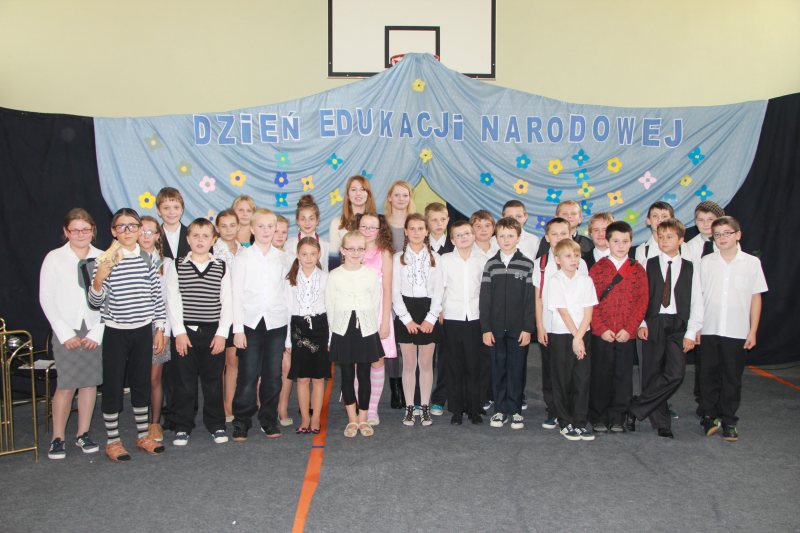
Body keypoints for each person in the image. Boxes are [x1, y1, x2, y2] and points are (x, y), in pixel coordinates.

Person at [89, 208, 166, 461]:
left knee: (141, 383)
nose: (127, 231)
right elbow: (95, 302)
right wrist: (99, 279)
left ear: (140, 229)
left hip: (143, 331)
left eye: (132, 226)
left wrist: (159, 328)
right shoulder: (105, 260)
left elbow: (156, 296)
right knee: (112, 385)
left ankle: (143, 435)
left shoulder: (148, 258)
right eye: (121, 226)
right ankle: (113, 441)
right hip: (115, 331)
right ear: (113, 231)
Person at [39, 208, 105, 459]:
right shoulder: (54, 258)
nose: (80, 234)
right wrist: (65, 332)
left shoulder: (103, 257)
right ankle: (58, 437)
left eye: (85, 229)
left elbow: (110, 298)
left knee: (89, 383)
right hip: (66, 329)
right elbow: (46, 298)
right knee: (66, 384)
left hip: (93, 328)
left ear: (93, 231)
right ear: (66, 232)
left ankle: (83, 433)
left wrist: (97, 332)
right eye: (75, 230)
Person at [629, 219, 703, 438]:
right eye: (660, 237)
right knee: (651, 373)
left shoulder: (691, 267)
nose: (664, 241)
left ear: (681, 240)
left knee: (675, 374)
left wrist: (691, 332)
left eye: (669, 237)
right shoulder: (648, 264)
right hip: (653, 323)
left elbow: (697, 301)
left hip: (678, 325)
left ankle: (635, 407)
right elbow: (639, 297)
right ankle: (662, 423)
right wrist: (641, 323)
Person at [698, 217, 767, 442]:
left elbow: (756, 298)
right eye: (717, 235)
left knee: (732, 377)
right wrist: (696, 327)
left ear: (738, 235)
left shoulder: (751, 263)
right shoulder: (706, 262)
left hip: (737, 330)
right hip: (709, 327)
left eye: (727, 233)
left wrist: (753, 330)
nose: (722, 238)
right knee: (707, 375)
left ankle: (729, 420)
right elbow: (698, 297)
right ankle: (710, 415)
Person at [164, 218, 232, 446]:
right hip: (186, 333)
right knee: (184, 382)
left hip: (213, 333)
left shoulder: (221, 266)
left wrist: (222, 333)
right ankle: (183, 426)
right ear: (188, 239)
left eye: (205, 236)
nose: (200, 240)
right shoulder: (177, 265)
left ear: (213, 240)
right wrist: (179, 332)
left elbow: (227, 302)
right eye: (195, 236)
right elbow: (172, 300)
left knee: (213, 381)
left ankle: (216, 424)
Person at [231, 208, 289, 441]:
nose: (266, 231)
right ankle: (241, 420)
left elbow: (287, 294)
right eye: (261, 226)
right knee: (248, 375)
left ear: (276, 229)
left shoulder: (283, 258)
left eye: (270, 226)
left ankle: (268, 419)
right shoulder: (242, 258)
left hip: (276, 324)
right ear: (252, 229)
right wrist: (237, 329)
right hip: (250, 324)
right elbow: (236, 294)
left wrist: (287, 334)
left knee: (273, 375)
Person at [588, 221, 648, 433]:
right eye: (616, 241)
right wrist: (601, 328)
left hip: (625, 334)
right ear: (608, 242)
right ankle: (599, 416)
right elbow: (590, 301)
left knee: (623, 377)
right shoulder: (598, 268)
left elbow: (642, 302)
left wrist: (630, 329)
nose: (620, 246)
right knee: (600, 375)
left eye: (625, 241)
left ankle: (618, 417)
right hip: (602, 333)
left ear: (631, 242)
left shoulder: (637, 270)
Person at [326, 231, 383, 437]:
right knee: (348, 375)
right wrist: (331, 337)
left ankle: (363, 418)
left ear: (365, 251)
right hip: (342, 329)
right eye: (351, 248)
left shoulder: (370, 275)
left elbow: (375, 303)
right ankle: (352, 420)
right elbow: (330, 306)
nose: (355, 252)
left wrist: (372, 329)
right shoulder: (334, 275)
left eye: (360, 249)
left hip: (366, 328)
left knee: (365, 375)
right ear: (343, 250)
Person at [480, 217, 535, 430]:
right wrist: (486, 328)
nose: (506, 239)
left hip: (518, 330)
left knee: (516, 369)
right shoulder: (491, 265)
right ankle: (500, 410)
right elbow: (485, 300)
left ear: (518, 237)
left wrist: (527, 328)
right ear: (496, 238)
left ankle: (515, 410)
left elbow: (530, 301)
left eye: (510, 235)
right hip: (495, 330)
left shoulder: (527, 264)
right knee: (498, 369)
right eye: (502, 236)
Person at [535, 217, 589, 430]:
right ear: (547, 238)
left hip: (576, 328)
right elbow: (538, 298)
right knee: (552, 371)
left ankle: (573, 412)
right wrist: (540, 326)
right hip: (551, 325)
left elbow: (584, 298)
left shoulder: (580, 263)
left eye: (563, 234)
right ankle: (554, 411)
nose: (559, 238)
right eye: (554, 234)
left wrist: (579, 334)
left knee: (575, 373)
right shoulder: (541, 263)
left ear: (571, 235)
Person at [393, 214, 444, 426]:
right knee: (408, 364)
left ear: (426, 231)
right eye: (412, 228)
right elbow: (394, 291)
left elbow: (439, 291)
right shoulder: (398, 258)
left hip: (428, 312)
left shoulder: (436, 258)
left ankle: (424, 407)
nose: (416, 232)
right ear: (405, 231)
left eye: (420, 228)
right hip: (406, 312)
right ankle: (409, 407)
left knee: (425, 363)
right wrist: (406, 319)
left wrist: (431, 318)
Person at [544, 239, 598, 441]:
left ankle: (580, 421)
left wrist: (579, 337)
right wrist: (576, 338)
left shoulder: (586, 280)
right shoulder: (555, 281)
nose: (573, 259)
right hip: (561, 334)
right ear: (558, 260)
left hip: (582, 334)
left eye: (576, 255)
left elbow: (588, 313)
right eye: (568, 256)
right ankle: (565, 421)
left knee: (582, 379)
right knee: (562, 379)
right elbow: (563, 312)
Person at [439, 221, 485, 425]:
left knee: (474, 365)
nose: (463, 237)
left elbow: (485, 290)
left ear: (474, 236)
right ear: (452, 240)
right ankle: (456, 409)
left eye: (467, 233)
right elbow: (439, 288)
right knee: (454, 365)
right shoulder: (445, 260)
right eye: (458, 235)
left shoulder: (482, 260)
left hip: (475, 317)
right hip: (452, 317)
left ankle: (474, 408)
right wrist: (439, 309)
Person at [285, 238, 330, 434]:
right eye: (304, 254)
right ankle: (305, 418)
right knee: (302, 378)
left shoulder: (326, 277)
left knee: (318, 378)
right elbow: (288, 310)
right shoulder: (290, 279)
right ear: (297, 255)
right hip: (298, 328)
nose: (309, 258)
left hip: (320, 327)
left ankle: (316, 418)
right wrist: (288, 340)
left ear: (319, 255)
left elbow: (330, 308)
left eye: (313, 254)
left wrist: (330, 338)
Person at [357, 212, 395, 424]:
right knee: (357, 362)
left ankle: (372, 409)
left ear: (380, 231)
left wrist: (385, 322)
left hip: (378, 313)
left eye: (372, 227)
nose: (368, 231)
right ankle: (359, 407)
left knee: (377, 361)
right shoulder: (352, 250)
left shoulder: (385, 253)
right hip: (355, 314)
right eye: (364, 226)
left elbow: (387, 289)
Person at [138, 215, 171, 442]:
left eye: (151, 231)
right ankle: (139, 422)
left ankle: (155, 423)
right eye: (142, 231)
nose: (146, 236)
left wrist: (165, 331)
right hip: (132, 325)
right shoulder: (125, 260)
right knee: (138, 377)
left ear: (158, 235)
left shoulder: (165, 264)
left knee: (154, 378)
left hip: (158, 327)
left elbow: (168, 300)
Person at [155, 188, 185, 434]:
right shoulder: (153, 236)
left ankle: (186, 411)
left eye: (175, 207)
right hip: (162, 306)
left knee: (185, 364)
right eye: (166, 207)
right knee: (166, 366)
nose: (171, 212)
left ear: (182, 209)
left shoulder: (192, 234)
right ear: (159, 210)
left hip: (189, 306)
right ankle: (170, 413)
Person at [384, 180, 416, 408]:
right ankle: (396, 388)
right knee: (391, 341)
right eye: (397, 195)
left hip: (411, 290)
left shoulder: (415, 223)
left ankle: (411, 386)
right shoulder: (382, 224)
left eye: (405, 195)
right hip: (387, 288)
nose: (401, 199)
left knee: (410, 341)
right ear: (390, 198)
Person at [213, 209, 242, 422]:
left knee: (233, 361)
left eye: (232, 225)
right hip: (219, 312)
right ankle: (217, 404)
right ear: (217, 228)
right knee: (217, 363)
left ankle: (229, 403)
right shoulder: (213, 251)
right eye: (224, 226)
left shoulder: (244, 251)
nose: (229, 230)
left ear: (238, 226)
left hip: (238, 313)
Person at [425, 202, 453, 416]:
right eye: (434, 220)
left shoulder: (454, 246)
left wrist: (443, 307)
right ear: (427, 222)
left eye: (442, 219)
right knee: (423, 357)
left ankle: (440, 398)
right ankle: (420, 398)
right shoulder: (419, 245)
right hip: (423, 310)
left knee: (445, 356)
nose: (439, 223)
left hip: (447, 312)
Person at [470, 209, 498, 411]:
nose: (483, 230)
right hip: (473, 310)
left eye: (487, 225)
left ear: (494, 228)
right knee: (478, 355)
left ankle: (495, 392)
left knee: (496, 354)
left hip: (499, 310)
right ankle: (480, 394)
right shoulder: (467, 249)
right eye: (478, 226)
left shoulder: (501, 247)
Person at [274, 213, 294, 427]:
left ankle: (282, 406)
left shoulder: (290, 258)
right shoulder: (257, 256)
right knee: (265, 367)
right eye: (275, 231)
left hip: (286, 318)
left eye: (284, 232)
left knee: (287, 365)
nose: (280, 235)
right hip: (265, 319)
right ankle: (265, 405)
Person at [328, 175, 376, 253]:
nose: (358, 193)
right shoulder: (337, 223)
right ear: (348, 195)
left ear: (368, 194)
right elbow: (333, 256)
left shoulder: (377, 222)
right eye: (353, 190)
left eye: (362, 189)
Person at [285, 194, 330, 271]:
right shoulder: (289, 244)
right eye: (303, 219)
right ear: (297, 221)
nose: (307, 223)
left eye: (311, 219)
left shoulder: (326, 246)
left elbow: (325, 272)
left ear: (317, 220)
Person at [633, 201, 674, 267]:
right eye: (655, 216)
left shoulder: (683, 247)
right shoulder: (642, 250)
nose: (660, 220)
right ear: (648, 221)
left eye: (664, 216)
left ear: (672, 220)